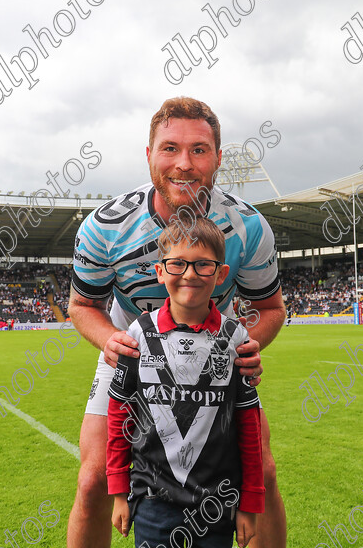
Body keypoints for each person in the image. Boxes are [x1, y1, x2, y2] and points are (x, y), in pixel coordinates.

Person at [68, 97, 287, 547]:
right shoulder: (104, 228)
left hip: (215, 355)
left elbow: (271, 309)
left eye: (199, 150)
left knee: (261, 470)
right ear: (148, 154)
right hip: (129, 352)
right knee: (92, 479)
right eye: (169, 148)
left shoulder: (248, 227)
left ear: (218, 159)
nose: (183, 164)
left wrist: (248, 347)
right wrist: (112, 342)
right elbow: (80, 305)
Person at [108, 218, 264, 548]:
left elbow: (248, 424)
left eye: (203, 265)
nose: (190, 274)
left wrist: (250, 501)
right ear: (160, 271)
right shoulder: (136, 336)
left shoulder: (236, 340)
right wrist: (119, 490)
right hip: (153, 502)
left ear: (221, 274)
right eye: (178, 263)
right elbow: (119, 413)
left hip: (215, 505)